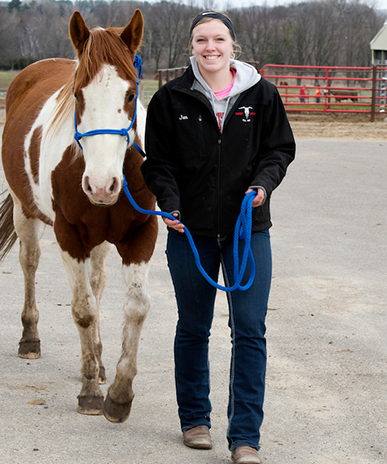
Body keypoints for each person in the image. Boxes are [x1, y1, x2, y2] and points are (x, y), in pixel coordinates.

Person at [141, 10, 295, 464]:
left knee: (250, 330)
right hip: (190, 231)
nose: (211, 47)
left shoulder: (262, 95)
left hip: (249, 232)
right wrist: (169, 201)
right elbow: (158, 163)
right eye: (202, 40)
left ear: (233, 46)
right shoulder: (170, 99)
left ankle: (245, 437)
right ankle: (195, 420)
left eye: (219, 39)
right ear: (191, 47)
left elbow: (279, 149)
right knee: (193, 327)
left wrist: (263, 186)